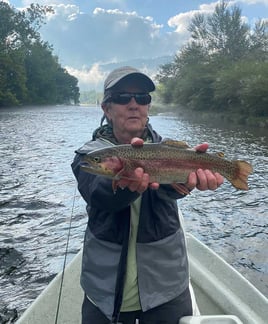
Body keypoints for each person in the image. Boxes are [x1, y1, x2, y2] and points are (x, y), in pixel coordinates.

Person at [71, 66, 224, 324]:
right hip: (104, 292)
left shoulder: (169, 150)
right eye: (122, 97)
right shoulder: (88, 156)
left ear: (148, 107)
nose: (134, 105)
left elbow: (170, 191)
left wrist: (186, 183)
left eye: (142, 98)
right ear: (106, 108)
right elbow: (99, 195)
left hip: (167, 289)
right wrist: (124, 185)